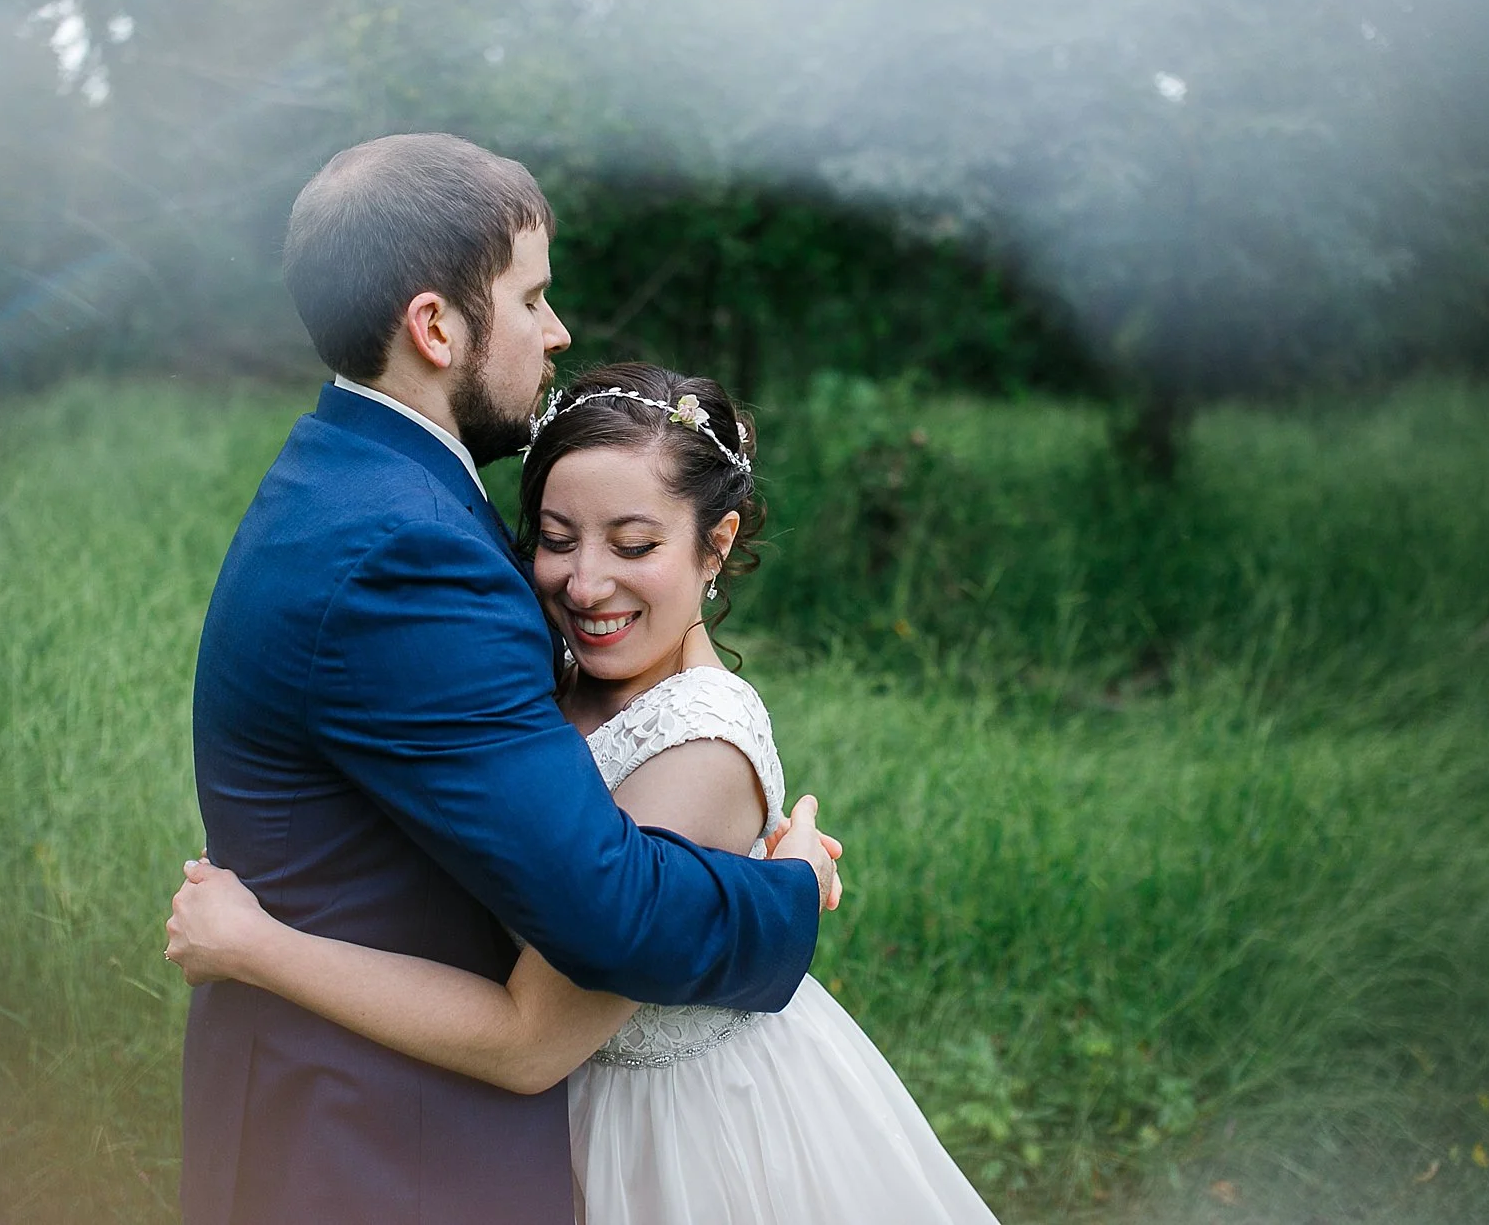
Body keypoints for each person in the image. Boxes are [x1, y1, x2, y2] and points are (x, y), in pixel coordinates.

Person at [178, 135, 841, 1225]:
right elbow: (606, 910)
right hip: (379, 1143)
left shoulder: (356, 477)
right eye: (530, 298)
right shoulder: (404, 547)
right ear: (436, 327)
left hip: (349, 1101)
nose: (556, 331)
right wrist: (786, 886)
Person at [169, 362, 1000, 1225]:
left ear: (715, 545)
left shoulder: (701, 747)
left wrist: (257, 946)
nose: (585, 582)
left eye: (634, 545)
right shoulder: (554, 671)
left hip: (673, 1144)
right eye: (556, 539)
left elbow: (532, 1044)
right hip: (547, 1126)